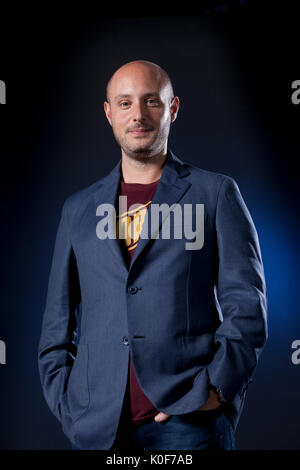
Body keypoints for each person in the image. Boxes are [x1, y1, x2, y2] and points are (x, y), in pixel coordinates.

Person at [38, 60, 268, 451]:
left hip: (190, 424)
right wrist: (68, 405)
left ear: (173, 108)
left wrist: (216, 390)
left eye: (151, 102)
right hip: (98, 428)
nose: (138, 115)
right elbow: (57, 323)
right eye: (125, 103)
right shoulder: (77, 209)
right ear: (109, 113)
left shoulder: (215, 194)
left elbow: (247, 305)